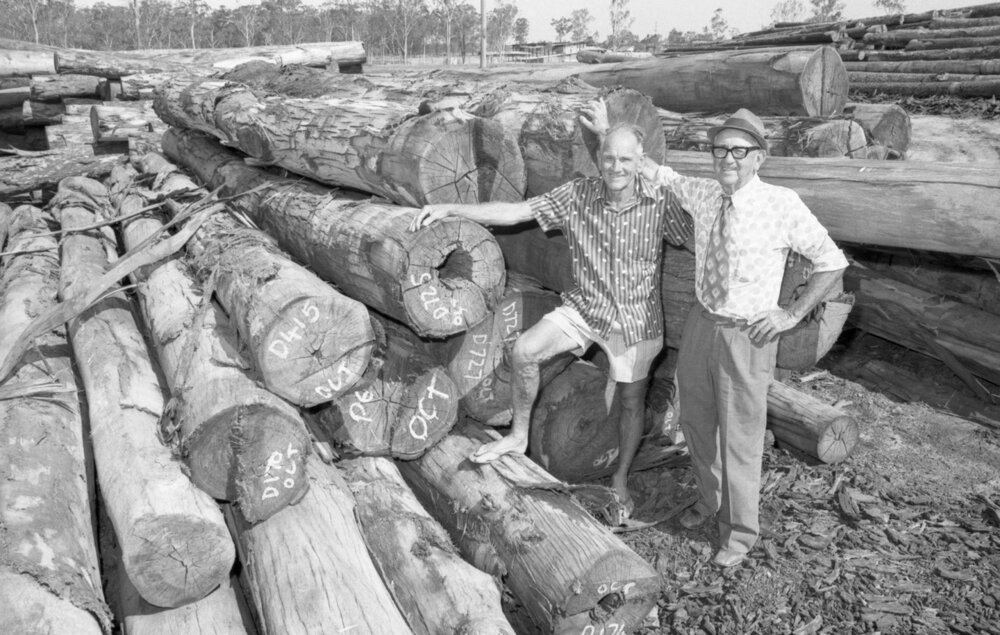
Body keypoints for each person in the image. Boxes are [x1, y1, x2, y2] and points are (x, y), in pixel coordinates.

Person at [583, 101, 848, 567]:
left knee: (740, 438)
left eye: (739, 151)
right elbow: (657, 172)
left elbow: (832, 261)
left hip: (747, 335)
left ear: (759, 158)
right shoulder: (704, 194)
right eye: (720, 150)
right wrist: (609, 132)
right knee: (696, 423)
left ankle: (739, 535)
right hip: (703, 323)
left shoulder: (781, 205)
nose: (728, 159)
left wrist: (791, 314)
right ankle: (710, 500)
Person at [409, 123, 693, 514]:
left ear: (640, 162)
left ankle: (621, 477)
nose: (616, 166)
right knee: (525, 350)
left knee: (631, 401)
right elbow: (515, 211)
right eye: (609, 157)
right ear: (599, 158)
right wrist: (451, 208)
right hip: (584, 308)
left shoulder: (660, 201)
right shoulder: (577, 194)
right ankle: (518, 437)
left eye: (626, 159)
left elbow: (696, 234)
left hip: (636, 321)